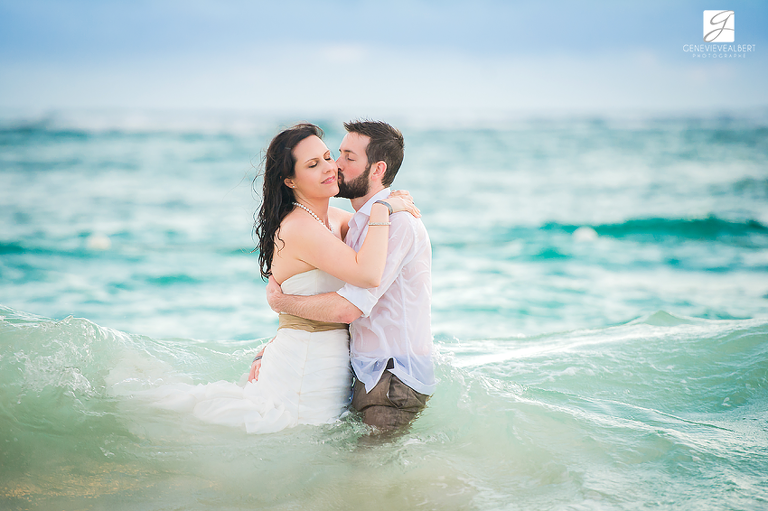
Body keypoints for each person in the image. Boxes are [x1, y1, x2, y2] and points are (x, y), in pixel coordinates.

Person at [145, 123, 417, 434]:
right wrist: (383, 209)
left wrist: (387, 202)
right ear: (290, 180)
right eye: (312, 165)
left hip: (324, 361)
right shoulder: (299, 227)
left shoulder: (334, 220)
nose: (330, 168)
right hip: (306, 366)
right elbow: (368, 274)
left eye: (328, 157)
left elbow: (372, 241)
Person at [263, 120, 435, 434]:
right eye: (332, 156)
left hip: (390, 375)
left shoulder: (390, 223)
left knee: (368, 464)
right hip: (347, 370)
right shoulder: (356, 223)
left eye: (342, 157)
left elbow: (349, 307)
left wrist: (282, 303)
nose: (335, 166)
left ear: (378, 169)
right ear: (289, 180)